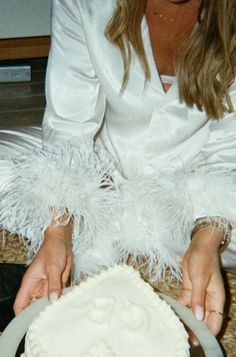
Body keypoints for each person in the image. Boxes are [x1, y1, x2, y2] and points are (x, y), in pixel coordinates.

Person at [0, 0, 235, 337]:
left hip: (193, 184)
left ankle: (115, 234)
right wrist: (58, 230)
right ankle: (110, 231)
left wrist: (208, 238)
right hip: (100, 164)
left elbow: (227, 152)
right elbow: (69, 129)